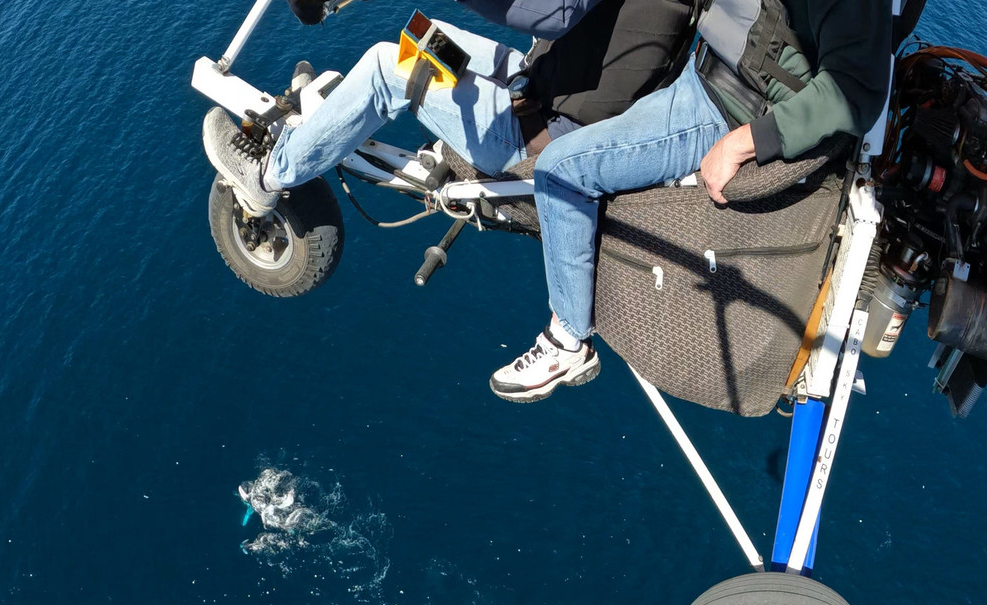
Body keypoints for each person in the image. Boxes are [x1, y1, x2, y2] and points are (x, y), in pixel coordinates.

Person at [488, 0, 894, 403]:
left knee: (561, 170)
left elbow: (855, 91)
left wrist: (743, 143)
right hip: (702, 72)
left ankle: (568, 341)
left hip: (724, 110)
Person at [203, 0, 698, 213]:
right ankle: (328, 121)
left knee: (384, 66)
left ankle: (270, 176)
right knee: (425, 33)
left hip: (539, 138)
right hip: (544, 83)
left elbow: (551, 13)